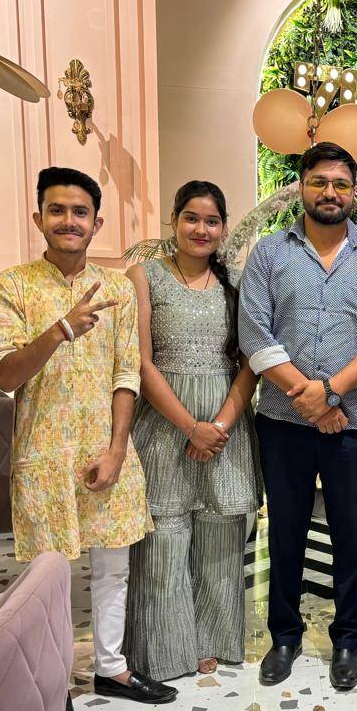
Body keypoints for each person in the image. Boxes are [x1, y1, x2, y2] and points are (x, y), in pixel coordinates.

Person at [0, 167, 177, 711]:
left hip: (106, 449)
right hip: (44, 454)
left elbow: (127, 373)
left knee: (114, 567)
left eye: (80, 212)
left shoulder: (117, 288)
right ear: (38, 218)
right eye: (57, 210)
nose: (69, 221)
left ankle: (112, 668)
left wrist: (118, 449)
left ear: (97, 222)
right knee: (49, 578)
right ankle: (54, 685)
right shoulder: (12, 286)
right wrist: (59, 330)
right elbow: (5, 375)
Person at [238, 141, 357, 692]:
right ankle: (284, 636)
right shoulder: (268, 253)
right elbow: (255, 335)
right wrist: (308, 399)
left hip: (352, 425)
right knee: (284, 532)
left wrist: (330, 393)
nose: (330, 192)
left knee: (350, 536)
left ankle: (347, 639)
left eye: (341, 184)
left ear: (354, 192)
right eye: (319, 182)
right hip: (282, 423)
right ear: (301, 186)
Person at [123, 180, 261, 681]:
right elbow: (140, 363)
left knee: (220, 541)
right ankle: (167, 649)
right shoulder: (144, 276)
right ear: (174, 221)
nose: (201, 229)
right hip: (165, 426)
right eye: (191, 218)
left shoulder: (237, 284)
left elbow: (251, 362)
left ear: (223, 228)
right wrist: (189, 427)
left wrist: (218, 425)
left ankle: (211, 639)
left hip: (226, 427)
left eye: (212, 221)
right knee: (164, 538)